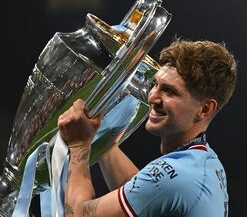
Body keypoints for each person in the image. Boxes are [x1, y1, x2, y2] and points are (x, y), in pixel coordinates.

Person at [58, 39, 237, 217]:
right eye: (155, 84)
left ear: (204, 109)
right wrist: (106, 145)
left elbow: (77, 215)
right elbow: (143, 193)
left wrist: (78, 144)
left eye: (169, 91)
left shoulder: (176, 176)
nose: (152, 97)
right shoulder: (205, 162)